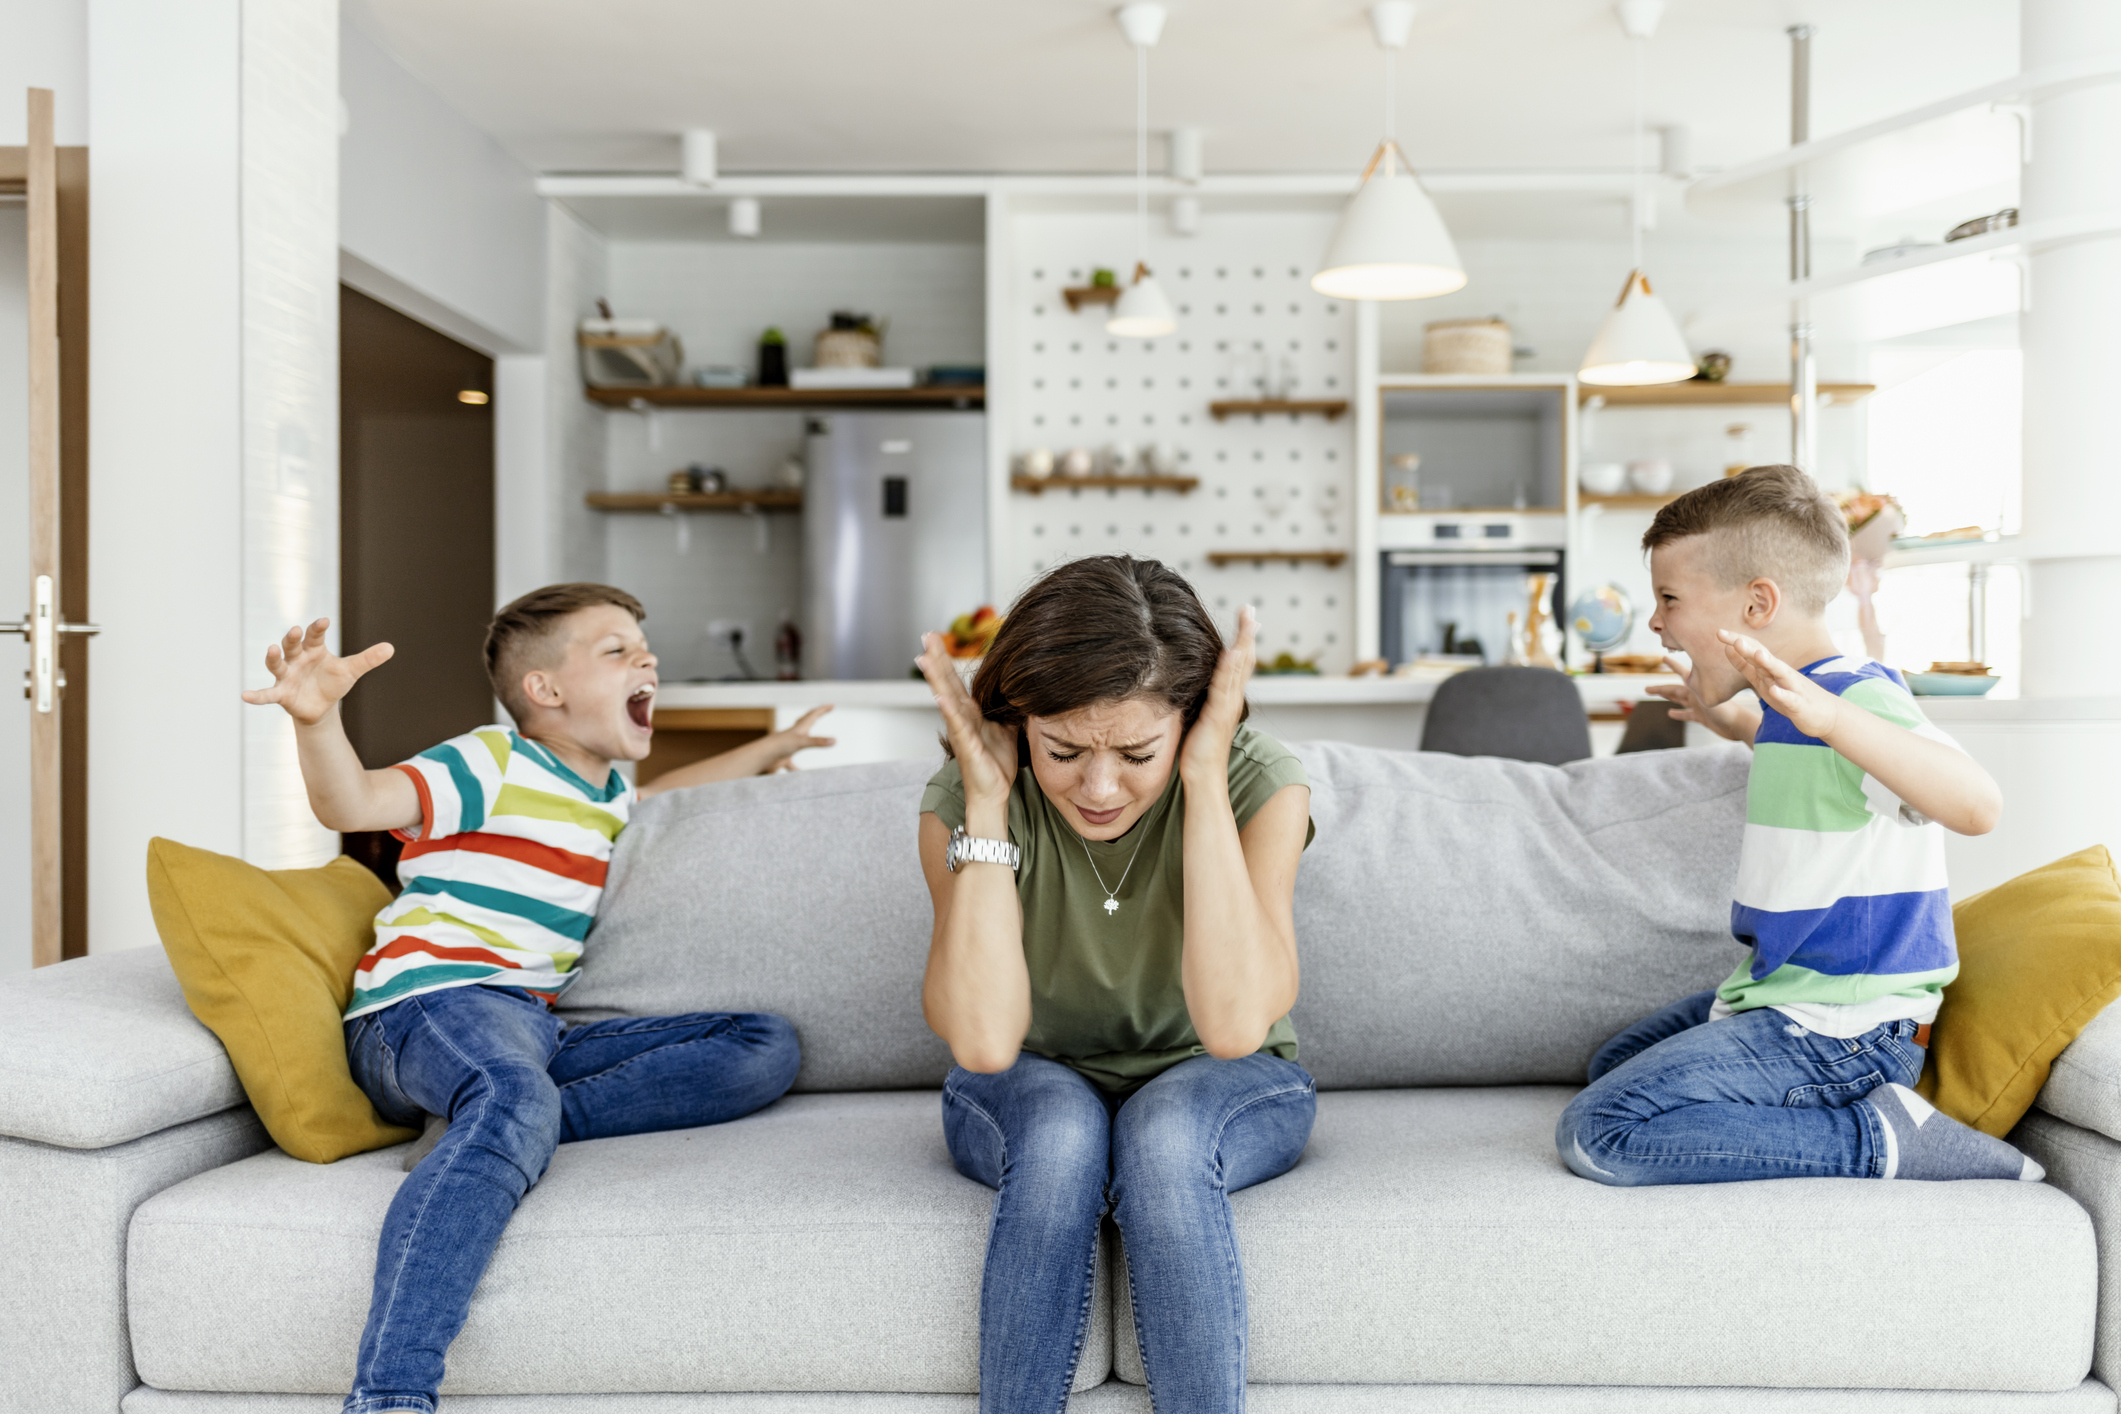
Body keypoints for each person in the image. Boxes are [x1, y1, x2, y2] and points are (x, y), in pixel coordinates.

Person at [242, 582, 832, 1414]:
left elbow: (670, 796)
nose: (647, 659)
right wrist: (315, 720)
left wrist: (770, 751)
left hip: (527, 1028)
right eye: (616, 649)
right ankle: (391, 1394)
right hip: (426, 1004)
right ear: (544, 691)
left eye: (643, 646)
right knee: (513, 1089)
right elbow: (356, 802)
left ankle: (505, 1120)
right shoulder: (494, 760)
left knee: (763, 1044)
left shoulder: (605, 799)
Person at [1556, 466, 2042, 1186]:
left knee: (1598, 1131)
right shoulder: (1797, 707)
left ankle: (1880, 1140)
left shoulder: (1856, 699)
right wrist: (1741, 721)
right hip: (1787, 1001)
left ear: (1757, 603)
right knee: (1608, 1065)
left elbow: (1977, 805)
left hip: (1845, 1030)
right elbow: (1826, 772)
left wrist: (1832, 718)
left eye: (1668, 598)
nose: (1655, 622)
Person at [914, 555, 1315, 1414]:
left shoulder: (1257, 782)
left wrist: (1202, 780)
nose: (1097, 789)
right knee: (1060, 1133)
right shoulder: (967, 794)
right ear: (1020, 725)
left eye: (1136, 752)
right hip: (1029, 1075)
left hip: (1228, 1076)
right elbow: (983, 1042)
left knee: (1165, 1139)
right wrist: (987, 808)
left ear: (1193, 720)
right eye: (1062, 750)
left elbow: (1237, 1025)